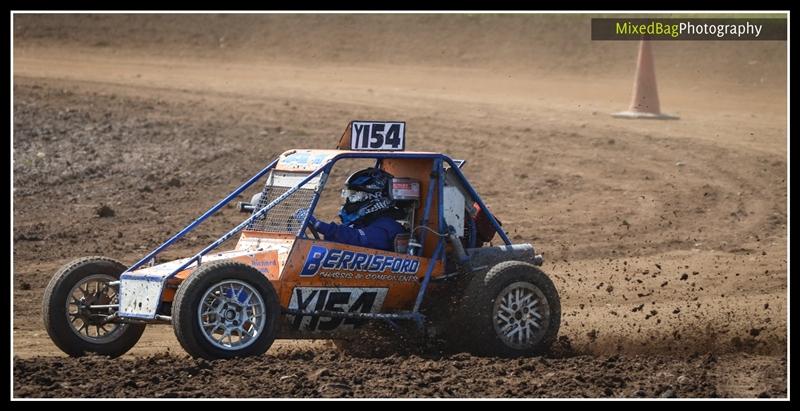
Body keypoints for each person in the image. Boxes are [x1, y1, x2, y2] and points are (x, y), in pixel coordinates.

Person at [297, 167, 406, 251]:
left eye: (355, 196)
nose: (350, 200)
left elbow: (357, 238)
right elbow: (340, 240)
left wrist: (319, 225)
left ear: (376, 197)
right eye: (349, 195)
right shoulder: (364, 222)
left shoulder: (387, 226)